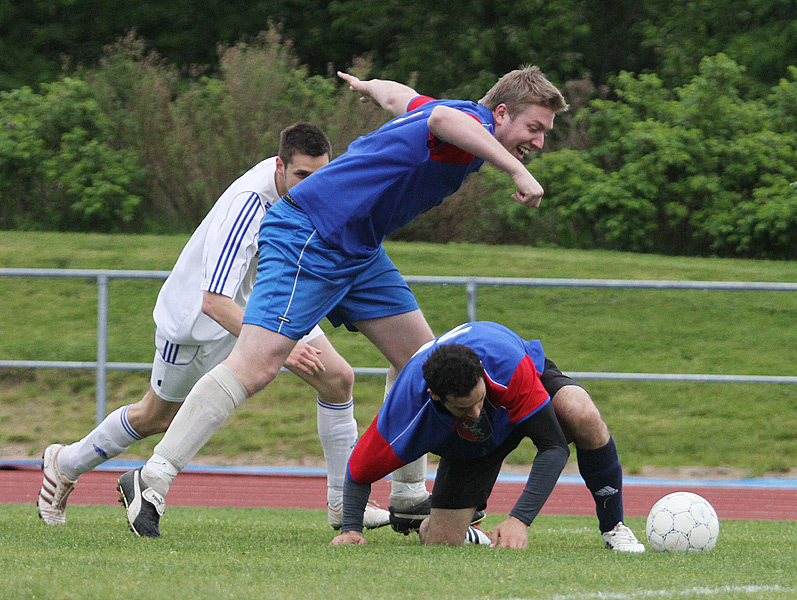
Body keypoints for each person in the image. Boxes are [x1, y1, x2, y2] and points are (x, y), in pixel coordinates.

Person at [116, 66, 570, 538]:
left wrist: (369, 87)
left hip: (359, 247)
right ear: (500, 112)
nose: (537, 142)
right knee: (256, 365)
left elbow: (404, 98)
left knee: (422, 359)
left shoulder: (448, 115)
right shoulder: (460, 120)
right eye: (533, 128)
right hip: (311, 233)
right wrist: (515, 169)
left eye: (543, 134)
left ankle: (409, 494)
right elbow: (441, 123)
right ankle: (152, 477)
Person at [38, 123, 390, 532]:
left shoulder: (307, 192)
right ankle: (64, 464)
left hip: (264, 305)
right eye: (302, 177)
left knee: (338, 378)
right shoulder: (248, 205)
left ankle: (344, 504)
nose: (314, 186)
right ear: (280, 167)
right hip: (197, 323)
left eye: (321, 175)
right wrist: (285, 348)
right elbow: (215, 301)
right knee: (156, 417)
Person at [331, 322, 645, 551]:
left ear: (481, 372)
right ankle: (470, 530)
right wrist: (351, 529)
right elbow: (358, 471)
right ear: (436, 397)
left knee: (581, 413)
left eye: (480, 400)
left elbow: (553, 446)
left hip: (522, 391)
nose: (478, 412)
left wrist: (519, 520)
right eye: (465, 407)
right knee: (440, 541)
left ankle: (613, 527)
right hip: (470, 445)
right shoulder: (406, 413)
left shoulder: (507, 366)